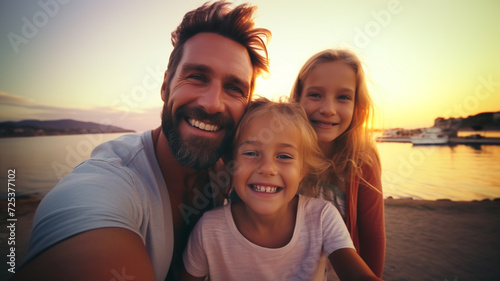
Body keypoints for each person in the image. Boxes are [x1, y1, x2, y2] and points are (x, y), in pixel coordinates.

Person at [11, 2, 270, 281]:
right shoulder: (113, 181)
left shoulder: (234, 174)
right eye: (197, 77)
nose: (212, 103)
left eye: (234, 88)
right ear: (165, 85)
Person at [181, 99, 382, 281]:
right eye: (251, 153)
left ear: (303, 170)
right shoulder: (208, 230)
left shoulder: (322, 218)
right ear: (231, 164)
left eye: (284, 156)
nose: (267, 168)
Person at [290, 49, 386, 278]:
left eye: (343, 97)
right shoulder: (282, 150)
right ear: (297, 100)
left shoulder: (362, 159)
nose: (328, 109)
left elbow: (372, 235)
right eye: (315, 95)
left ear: (357, 106)